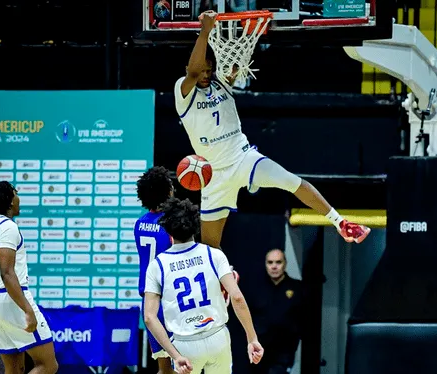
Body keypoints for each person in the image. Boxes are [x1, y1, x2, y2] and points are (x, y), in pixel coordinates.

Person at [173, 10, 371, 250]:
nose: (205, 74)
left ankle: (341, 223)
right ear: (188, 68)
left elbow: (232, 64)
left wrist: (245, 32)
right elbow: (194, 72)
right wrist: (205, 31)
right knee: (210, 248)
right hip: (213, 174)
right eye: (201, 70)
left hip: (243, 157)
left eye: (208, 69)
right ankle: (222, 284)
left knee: (291, 181)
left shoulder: (221, 83)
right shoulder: (183, 92)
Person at [143, 197, 264, 374]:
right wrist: (252, 338)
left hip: (185, 343)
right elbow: (237, 297)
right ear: (196, 225)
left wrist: (175, 355)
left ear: (167, 230)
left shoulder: (157, 265)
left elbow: (149, 317)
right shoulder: (214, 255)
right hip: (217, 337)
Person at [0, 181, 58, 374]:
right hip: (12, 300)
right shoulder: (8, 227)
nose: (19, 198)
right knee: (48, 365)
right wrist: (27, 309)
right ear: (8, 200)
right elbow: (7, 272)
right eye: (16, 193)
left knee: (14, 369)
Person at [134, 166, 177, 374]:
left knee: (163, 368)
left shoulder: (139, 223)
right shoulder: (172, 225)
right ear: (166, 191)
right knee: (184, 364)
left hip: (148, 301)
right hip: (170, 300)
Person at [248, 249, 303, 374]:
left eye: (278, 262)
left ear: (285, 264)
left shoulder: (297, 288)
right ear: (265, 264)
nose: (274, 266)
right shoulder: (256, 289)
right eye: (270, 262)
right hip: (259, 350)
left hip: (283, 351)